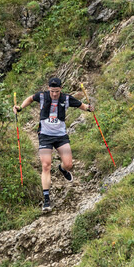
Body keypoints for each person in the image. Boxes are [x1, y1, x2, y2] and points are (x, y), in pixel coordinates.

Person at [14, 77, 93, 212]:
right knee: (46, 165)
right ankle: (46, 200)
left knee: (69, 165)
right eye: (52, 91)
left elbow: (81, 105)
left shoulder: (66, 98)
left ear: (60, 89)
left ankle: (62, 169)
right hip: (45, 136)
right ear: (48, 88)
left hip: (61, 136)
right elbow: (30, 98)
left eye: (57, 91)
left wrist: (88, 108)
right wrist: (20, 107)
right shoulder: (42, 96)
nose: (54, 94)